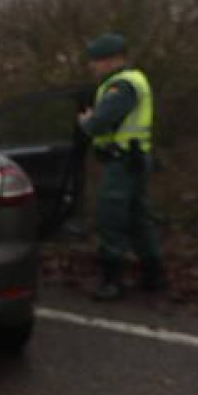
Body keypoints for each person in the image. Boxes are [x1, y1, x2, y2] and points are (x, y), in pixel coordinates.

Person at [77, 33, 165, 300]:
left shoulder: (121, 86)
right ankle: (154, 276)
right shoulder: (134, 80)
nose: (92, 65)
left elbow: (97, 124)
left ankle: (111, 282)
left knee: (110, 218)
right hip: (134, 159)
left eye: (96, 60)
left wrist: (86, 120)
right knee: (139, 219)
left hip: (122, 162)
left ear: (112, 60)